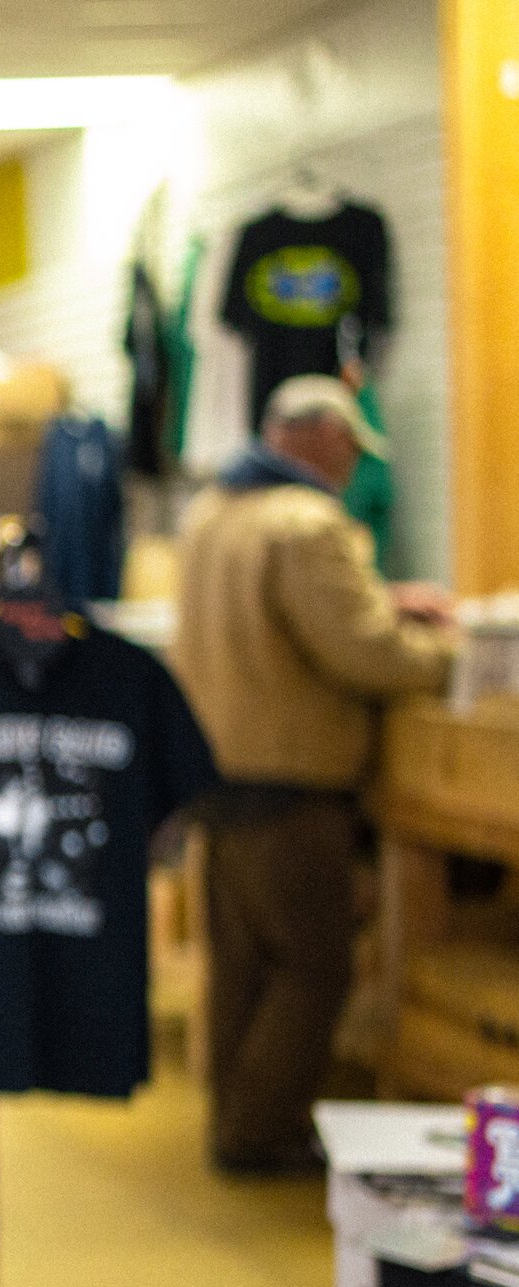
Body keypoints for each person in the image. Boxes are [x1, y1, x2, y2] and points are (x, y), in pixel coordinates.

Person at [170, 374, 457, 1173]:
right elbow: (361, 651)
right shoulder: (307, 523)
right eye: (348, 449)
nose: (351, 468)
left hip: (217, 774)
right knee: (314, 964)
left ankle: (235, 1122)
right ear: (323, 437)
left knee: (241, 967)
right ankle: (265, 1133)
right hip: (293, 779)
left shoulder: (211, 514)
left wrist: (382, 602)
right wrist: (448, 655)